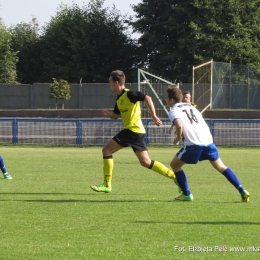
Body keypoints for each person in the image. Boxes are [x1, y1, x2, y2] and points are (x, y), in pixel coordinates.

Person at [91, 70, 180, 193]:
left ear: (116, 83)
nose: (108, 84)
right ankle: (176, 177)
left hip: (132, 130)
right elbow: (116, 115)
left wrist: (154, 116)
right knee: (145, 162)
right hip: (137, 131)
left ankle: (107, 185)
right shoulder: (119, 99)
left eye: (110, 82)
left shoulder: (129, 94)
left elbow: (147, 98)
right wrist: (108, 114)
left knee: (106, 150)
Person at [164, 86, 249, 202]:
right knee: (221, 167)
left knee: (175, 165)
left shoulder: (173, 110)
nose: (165, 99)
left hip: (193, 144)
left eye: (166, 97)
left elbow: (179, 125)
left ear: (172, 99)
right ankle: (242, 190)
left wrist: (177, 138)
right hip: (208, 141)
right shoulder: (191, 107)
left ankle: (186, 194)